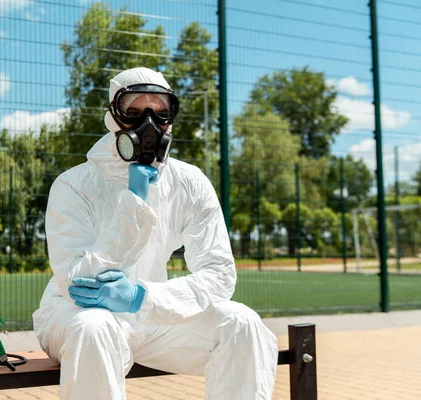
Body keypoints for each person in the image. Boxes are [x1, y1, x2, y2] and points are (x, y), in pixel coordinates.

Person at [32, 67, 278, 399]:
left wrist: (142, 298)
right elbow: (77, 285)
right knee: (95, 327)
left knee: (241, 323)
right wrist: (134, 205)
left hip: (151, 314)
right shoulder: (74, 185)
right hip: (73, 317)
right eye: (133, 113)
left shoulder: (188, 182)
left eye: (160, 113)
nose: (149, 125)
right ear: (113, 117)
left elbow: (220, 274)